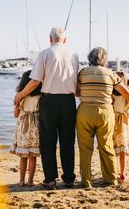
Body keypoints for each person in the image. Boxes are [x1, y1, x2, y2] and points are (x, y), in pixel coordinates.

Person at [14, 27, 79, 189]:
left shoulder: (44, 54)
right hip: (69, 101)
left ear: (50, 38)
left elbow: (35, 81)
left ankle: (50, 179)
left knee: (48, 142)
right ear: (65, 39)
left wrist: (20, 95)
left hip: (49, 101)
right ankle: (69, 178)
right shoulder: (74, 55)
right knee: (67, 141)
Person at [76, 47, 129, 188]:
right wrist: (125, 108)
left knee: (85, 148)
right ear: (105, 59)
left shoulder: (82, 73)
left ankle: (86, 181)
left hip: (85, 111)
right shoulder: (111, 74)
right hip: (106, 112)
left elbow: (76, 92)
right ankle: (110, 179)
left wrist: (87, 94)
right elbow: (128, 94)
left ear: (90, 58)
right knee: (106, 146)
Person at [10, 70, 42, 187]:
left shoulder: (20, 97)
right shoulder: (40, 96)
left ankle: (21, 180)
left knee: (23, 157)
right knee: (33, 156)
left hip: (23, 127)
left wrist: (18, 106)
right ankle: (30, 181)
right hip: (35, 127)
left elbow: (15, 114)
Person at [112, 72, 129, 182]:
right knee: (123, 150)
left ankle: (112, 172)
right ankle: (122, 174)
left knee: (112, 149)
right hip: (123, 122)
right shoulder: (128, 94)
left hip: (113, 122)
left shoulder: (111, 94)